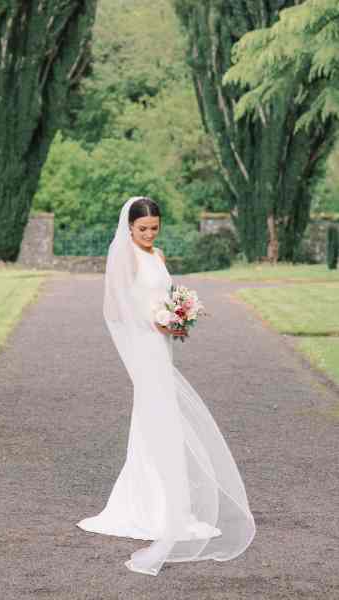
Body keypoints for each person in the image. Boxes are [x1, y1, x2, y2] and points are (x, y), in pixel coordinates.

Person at [76, 196, 256, 576]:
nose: (148, 234)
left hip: (162, 344)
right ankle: (155, 506)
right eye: (142, 229)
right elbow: (118, 305)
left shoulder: (157, 255)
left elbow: (165, 294)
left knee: (159, 420)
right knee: (161, 417)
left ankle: (163, 501)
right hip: (145, 346)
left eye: (154, 228)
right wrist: (154, 321)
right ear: (129, 227)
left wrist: (178, 316)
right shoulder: (124, 257)